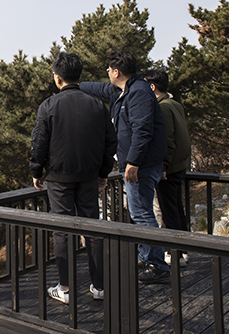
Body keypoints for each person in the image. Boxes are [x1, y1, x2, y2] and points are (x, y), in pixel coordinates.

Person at [30, 52, 117, 303]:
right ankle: (99, 286)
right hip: (89, 176)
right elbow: (110, 142)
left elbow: (39, 143)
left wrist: (36, 171)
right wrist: (103, 173)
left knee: (62, 230)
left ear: (58, 78)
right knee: (92, 227)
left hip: (58, 178)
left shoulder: (48, 106)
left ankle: (65, 288)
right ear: (79, 76)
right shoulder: (97, 105)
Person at [80, 51, 170, 284]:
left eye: (109, 70)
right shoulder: (125, 90)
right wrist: (75, 85)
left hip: (141, 165)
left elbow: (143, 130)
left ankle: (158, 266)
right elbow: (100, 89)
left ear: (116, 71)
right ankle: (146, 255)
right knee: (139, 211)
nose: (107, 73)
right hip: (140, 163)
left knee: (141, 213)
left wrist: (133, 163)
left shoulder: (138, 93)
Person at [143, 69, 191, 267]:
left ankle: (175, 253)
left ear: (152, 87)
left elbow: (168, 140)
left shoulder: (162, 108)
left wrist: (163, 166)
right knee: (177, 209)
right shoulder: (175, 104)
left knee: (169, 211)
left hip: (168, 169)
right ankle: (183, 250)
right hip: (180, 166)